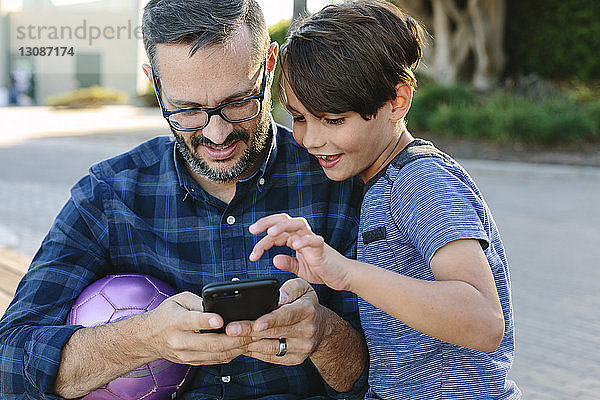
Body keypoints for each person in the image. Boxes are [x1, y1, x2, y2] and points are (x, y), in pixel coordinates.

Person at [0, 0, 368, 398]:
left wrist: (325, 335)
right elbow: (9, 362)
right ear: (155, 84)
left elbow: (398, 369)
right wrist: (143, 339)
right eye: (187, 110)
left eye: (238, 102)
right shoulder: (110, 194)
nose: (217, 134)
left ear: (270, 66)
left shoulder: (341, 180)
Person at [249, 1, 521, 399]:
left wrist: (347, 274)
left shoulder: (421, 181)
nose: (308, 138)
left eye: (333, 120)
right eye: (299, 117)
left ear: (397, 102)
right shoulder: (378, 182)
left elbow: (483, 320)